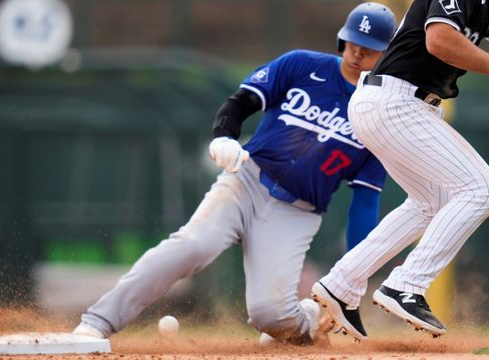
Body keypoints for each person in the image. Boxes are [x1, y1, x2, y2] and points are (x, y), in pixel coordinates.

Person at [73, 2, 397, 345]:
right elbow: (241, 101)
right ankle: (98, 321)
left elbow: (365, 202)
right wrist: (224, 135)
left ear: (385, 55)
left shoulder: (377, 115)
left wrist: (355, 274)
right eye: (353, 43)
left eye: (370, 49)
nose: (358, 53)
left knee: (270, 315)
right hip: (246, 181)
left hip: (296, 211)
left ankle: (308, 323)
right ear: (341, 41)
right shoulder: (303, 65)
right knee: (192, 246)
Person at [312, 0, 489, 341]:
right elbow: (439, 40)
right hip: (396, 102)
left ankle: (342, 282)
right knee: (482, 190)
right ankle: (405, 285)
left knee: (432, 202)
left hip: (396, 103)